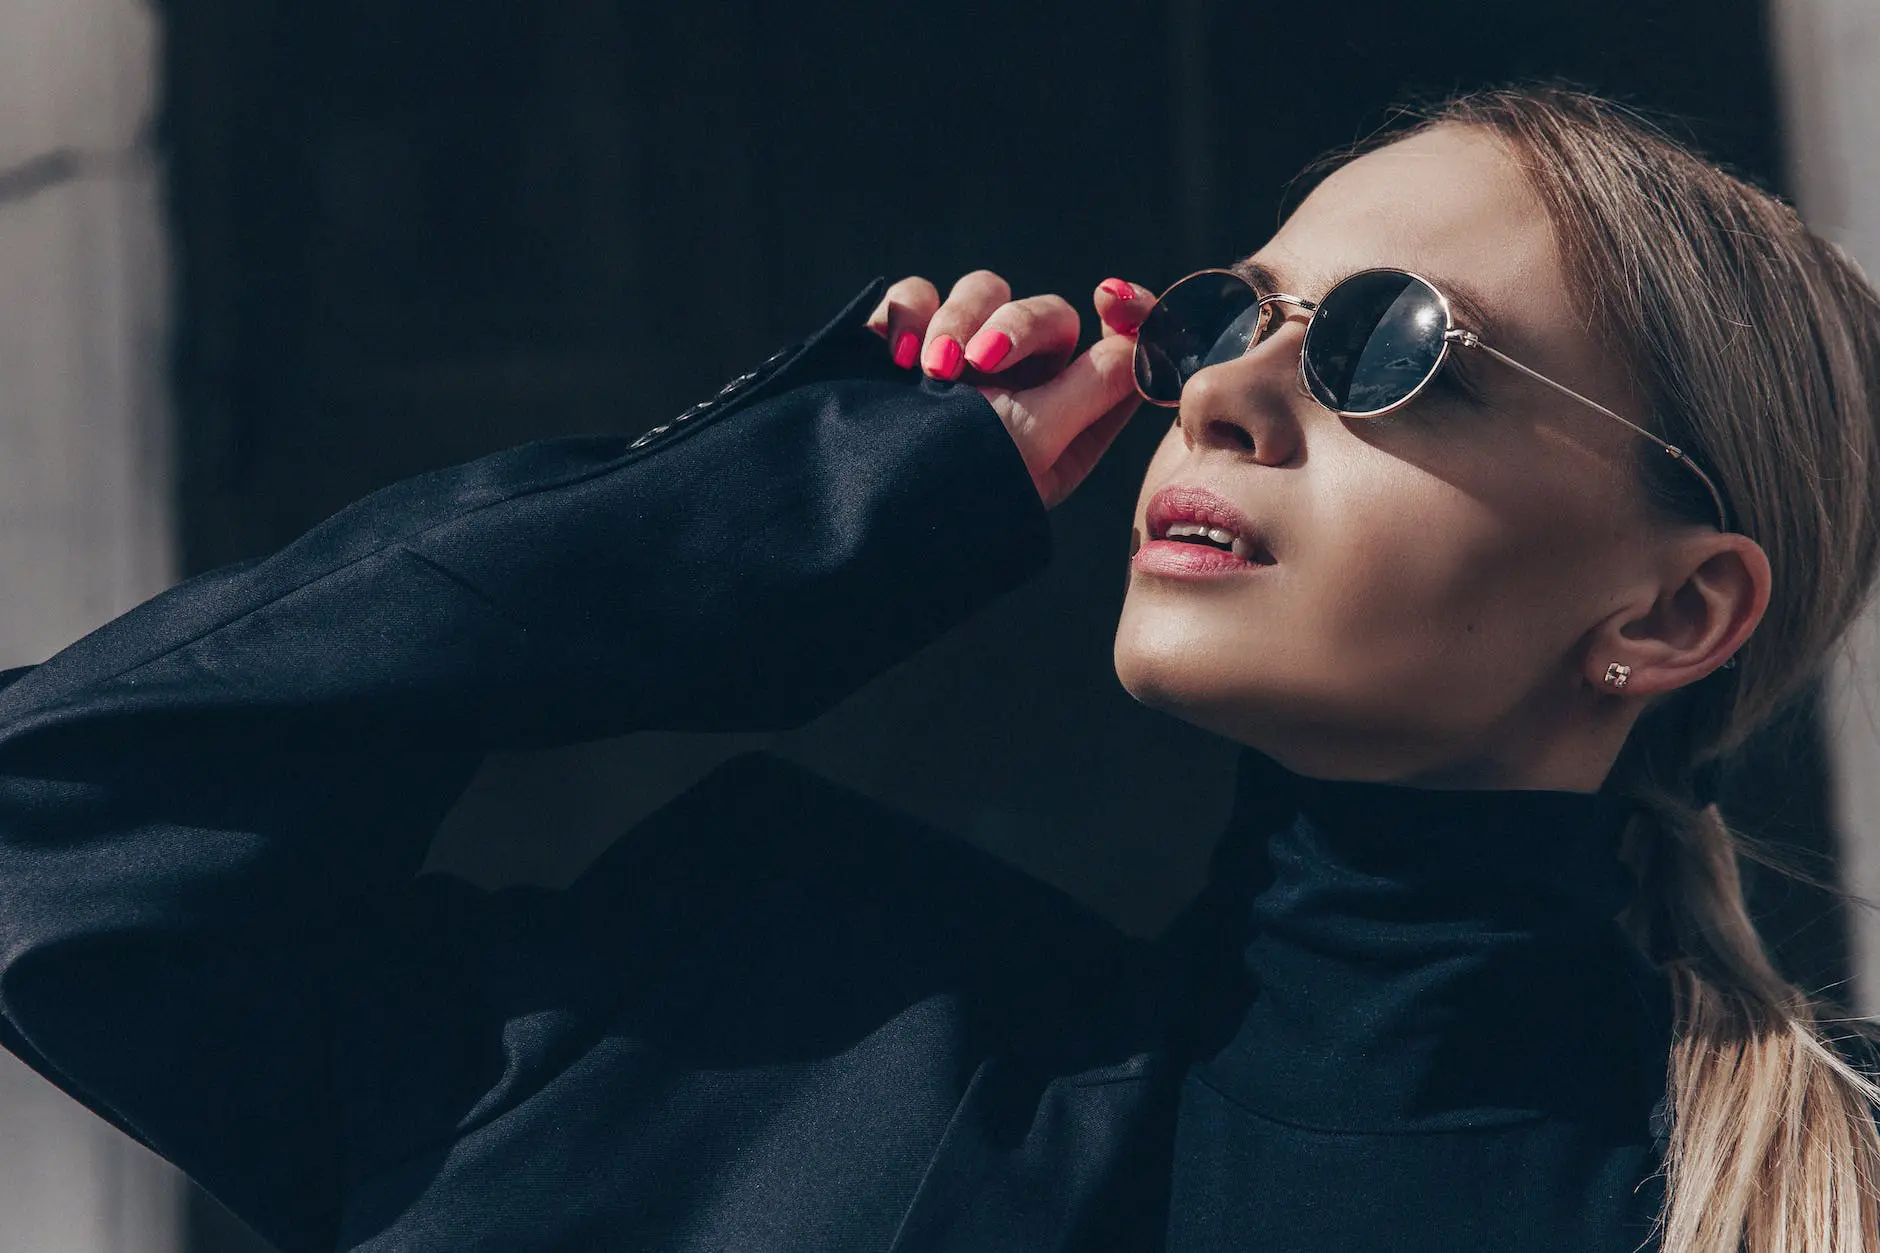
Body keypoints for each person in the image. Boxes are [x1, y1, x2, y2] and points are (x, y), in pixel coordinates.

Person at [0, 83, 1872, 1253]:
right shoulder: (754, 1041)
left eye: (1391, 347)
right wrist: (770, 515)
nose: (1221, 386)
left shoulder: (1799, 1207)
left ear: (1669, 613)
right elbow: (65, 836)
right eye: (1232, 312)